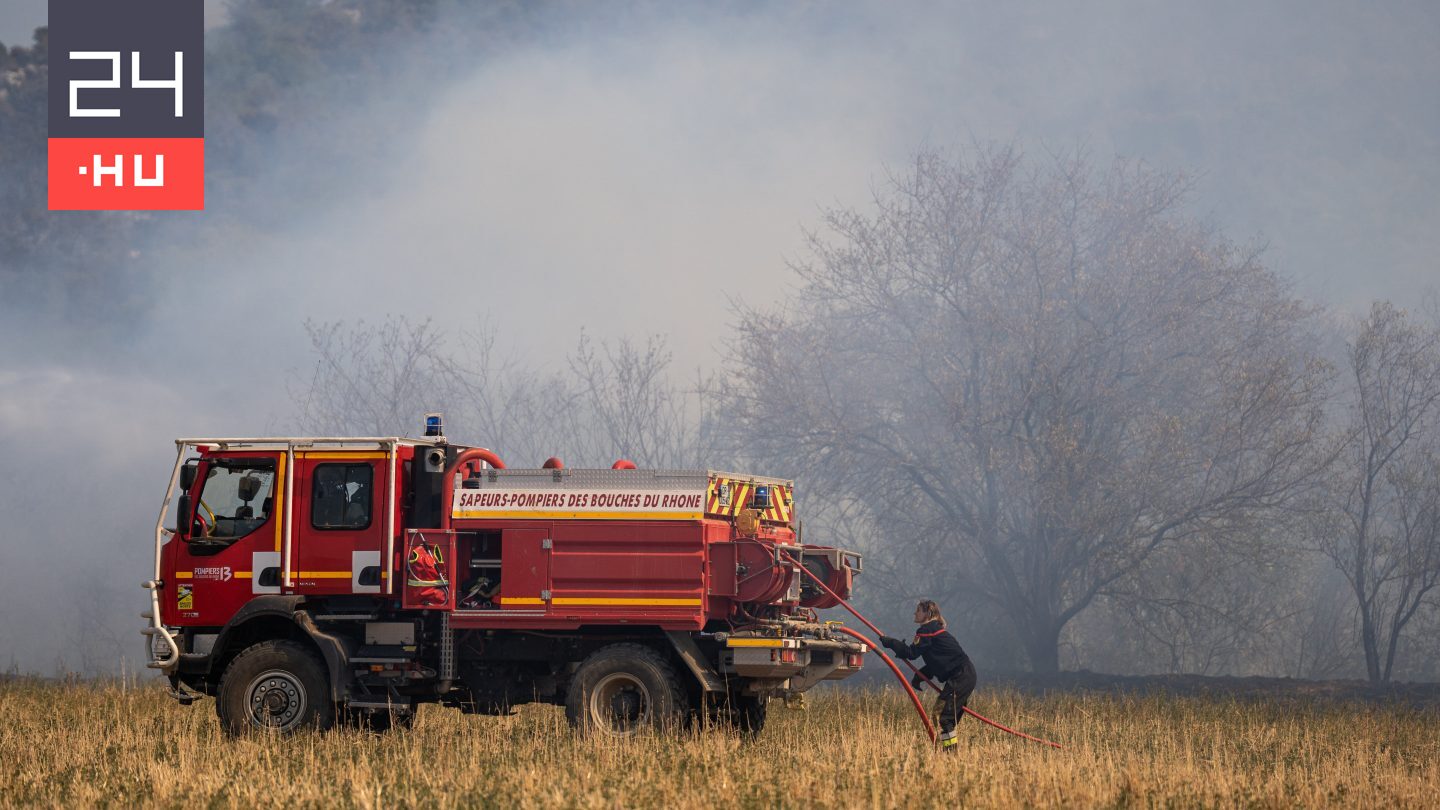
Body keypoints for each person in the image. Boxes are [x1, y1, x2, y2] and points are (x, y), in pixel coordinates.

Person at [879, 600, 977, 752]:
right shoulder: (932, 630)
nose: (915, 613)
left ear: (927, 613)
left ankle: (950, 753)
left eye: (918, 610)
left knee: (942, 716)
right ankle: (950, 751)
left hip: (961, 677)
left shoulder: (926, 630)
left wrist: (890, 642)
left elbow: (910, 653)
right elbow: (939, 660)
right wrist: (921, 676)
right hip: (964, 675)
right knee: (946, 718)